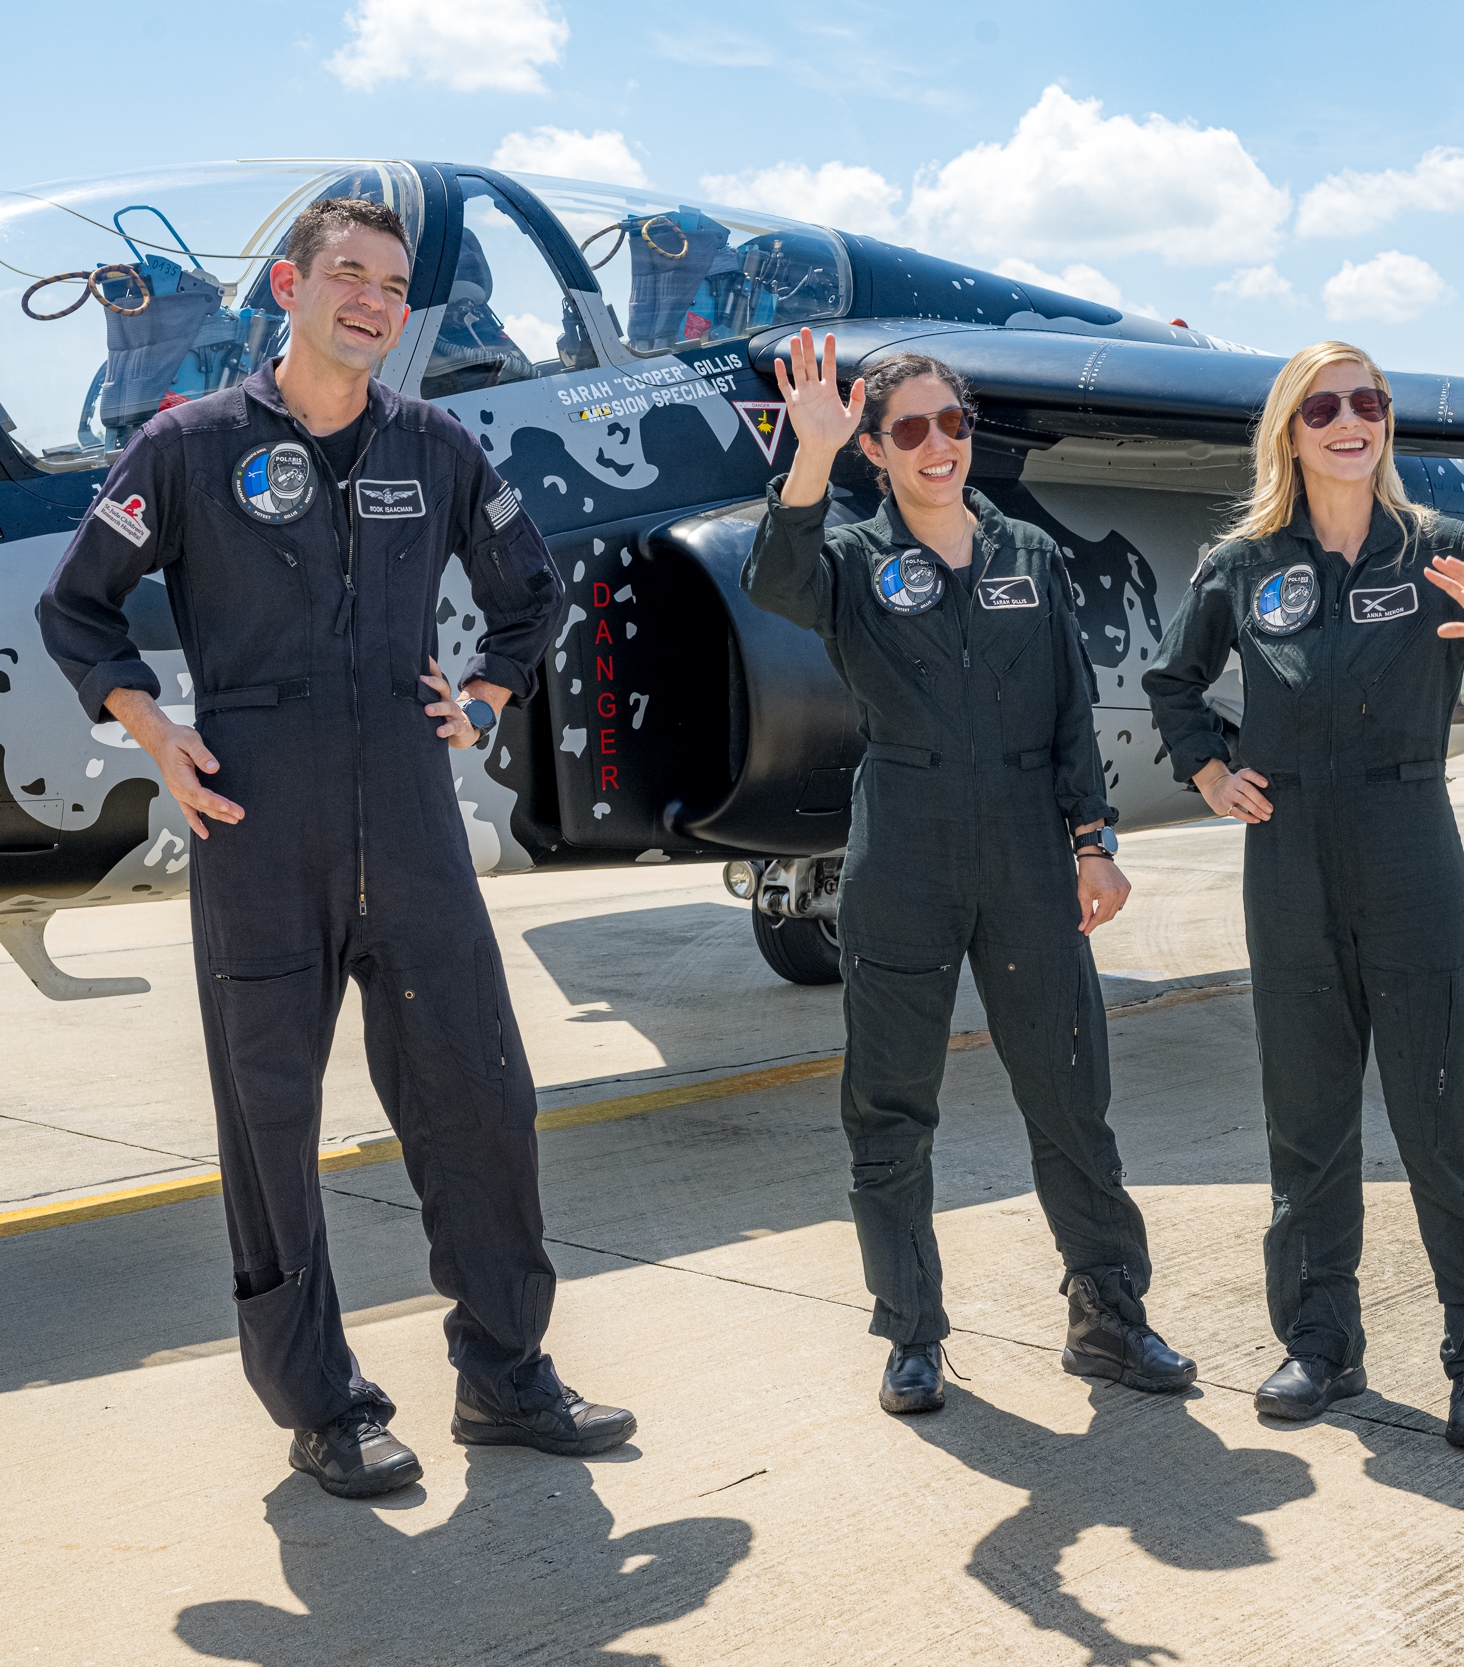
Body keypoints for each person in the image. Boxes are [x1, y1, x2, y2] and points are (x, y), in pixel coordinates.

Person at [40, 198, 635, 1500]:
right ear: (288, 284)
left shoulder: (435, 444)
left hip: (412, 811)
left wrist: (480, 694)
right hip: (258, 812)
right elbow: (78, 604)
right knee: (271, 1119)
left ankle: (506, 1371)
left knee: (479, 1092)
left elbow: (529, 590)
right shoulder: (188, 448)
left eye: (391, 282)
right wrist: (148, 723)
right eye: (346, 274)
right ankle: (322, 1404)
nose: (371, 298)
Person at [1142, 342, 1464, 1442]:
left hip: (1409, 838)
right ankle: (1319, 1343)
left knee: (1443, 1117)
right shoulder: (1245, 563)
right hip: (1289, 852)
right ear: (1290, 431)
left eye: (1370, 402)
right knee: (1305, 1118)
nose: (1350, 419)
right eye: (1325, 406)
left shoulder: (1442, 550)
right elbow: (1172, 679)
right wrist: (1210, 768)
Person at [744, 330, 1196, 1415]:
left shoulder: (1027, 555)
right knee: (891, 1104)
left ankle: (1108, 1310)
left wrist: (1094, 841)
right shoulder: (852, 559)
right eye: (912, 429)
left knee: (1070, 1090)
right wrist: (808, 452)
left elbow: (1068, 713)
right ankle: (910, 1330)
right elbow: (774, 577)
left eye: (954, 423)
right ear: (879, 451)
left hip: (1029, 851)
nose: (939, 444)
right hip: (904, 846)